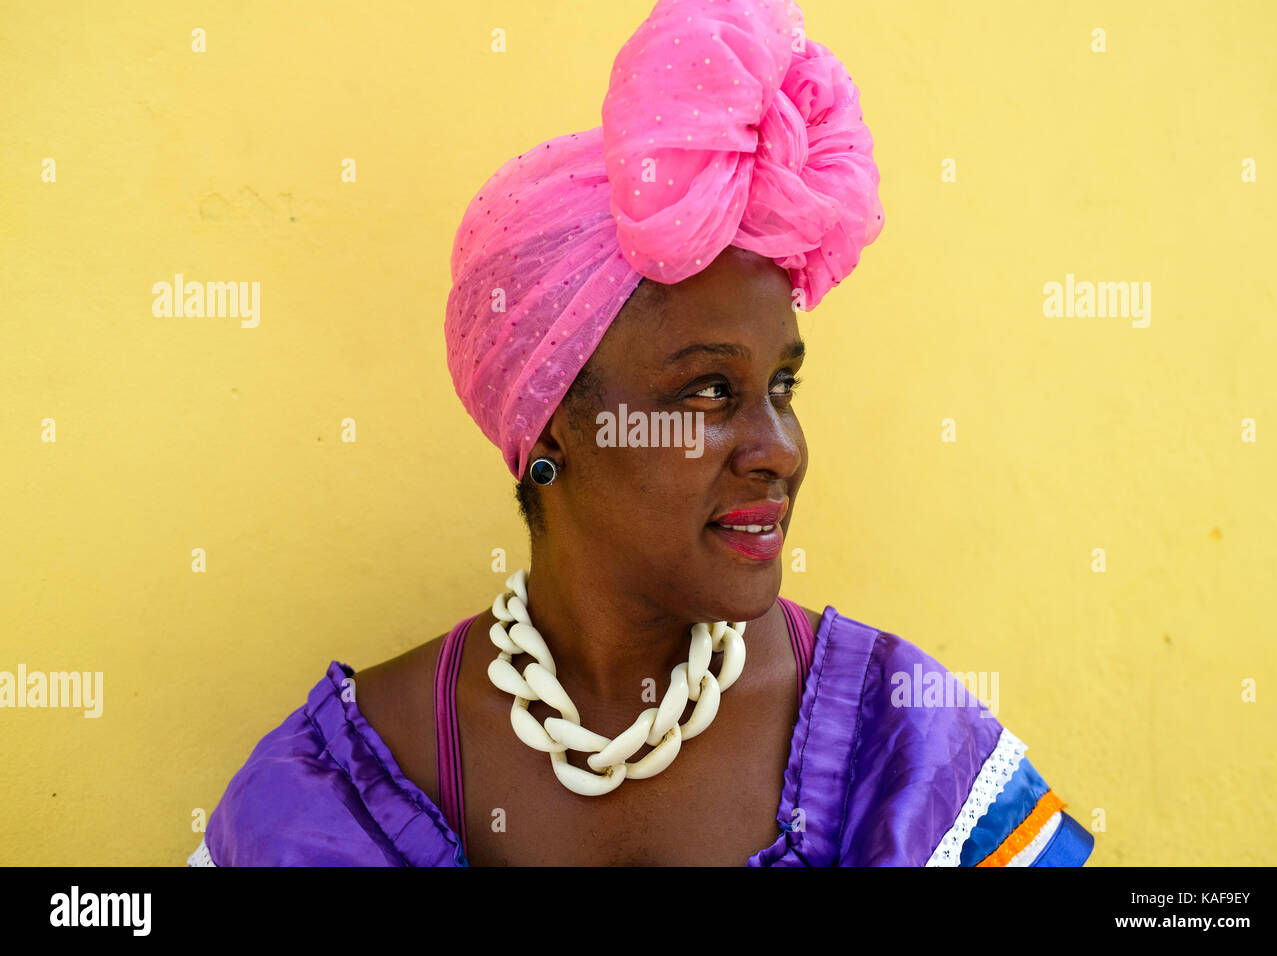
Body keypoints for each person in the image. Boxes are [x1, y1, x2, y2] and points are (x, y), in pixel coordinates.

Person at [188, 0, 1093, 867]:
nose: (778, 449)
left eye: (783, 385)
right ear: (551, 427)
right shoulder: (346, 784)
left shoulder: (898, 750)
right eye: (707, 390)